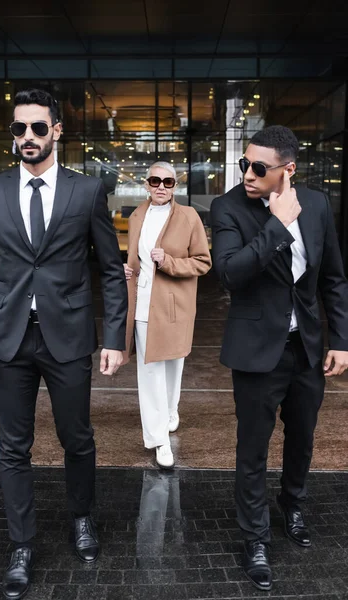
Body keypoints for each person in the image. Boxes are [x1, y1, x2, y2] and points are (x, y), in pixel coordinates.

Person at [0, 88, 127, 600]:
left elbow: (111, 271)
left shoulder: (86, 192)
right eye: (19, 129)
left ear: (57, 131)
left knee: (76, 438)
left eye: (37, 128)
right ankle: (22, 543)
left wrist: (115, 338)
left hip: (69, 337)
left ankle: (81, 519)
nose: (27, 137)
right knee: (13, 447)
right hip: (7, 339)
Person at [211, 125, 348, 592]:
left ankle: (292, 506)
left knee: (303, 438)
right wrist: (278, 222)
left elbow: (333, 278)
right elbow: (230, 274)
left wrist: (340, 340)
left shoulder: (318, 205)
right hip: (256, 351)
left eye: (259, 168)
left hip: (306, 347)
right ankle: (254, 539)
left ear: (288, 169)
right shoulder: (227, 207)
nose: (248, 173)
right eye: (244, 164)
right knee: (252, 449)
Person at [123, 161, 211, 468]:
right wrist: (128, 271)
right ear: (146, 184)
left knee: (174, 366)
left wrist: (169, 262)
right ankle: (159, 440)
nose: (161, 186)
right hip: (143, 305)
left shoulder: (188, 217)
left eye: (168, 182)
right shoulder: (136, 216)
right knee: (150, 374)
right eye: (155, 180)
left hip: (176, 306)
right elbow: (135, 259)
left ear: (176, 186)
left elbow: (203, 262)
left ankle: (171, 411)